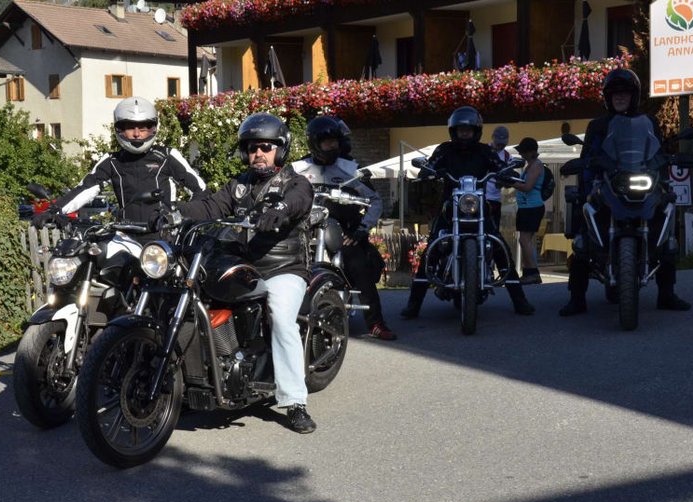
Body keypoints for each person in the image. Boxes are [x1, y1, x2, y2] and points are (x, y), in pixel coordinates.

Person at [177, 112, 318, 434]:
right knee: (198, 302)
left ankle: (294, 401)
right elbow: (209, 207)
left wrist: (279, 210)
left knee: (281, 317)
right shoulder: (239, 186)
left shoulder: (296, 183)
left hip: (284, 267)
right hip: (245, 265)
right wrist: (175, 211)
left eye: (266, 147)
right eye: (253, 148)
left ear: (280, 150)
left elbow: (298, 201)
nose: (259, 153)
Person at [559, 68, 691, 316]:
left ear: (634, 96)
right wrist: (587, 172)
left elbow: (657, 151)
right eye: (615, 94)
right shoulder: (598, 125)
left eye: (625, 93)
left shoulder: (648, 123)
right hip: (608, 182)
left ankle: (667, 294)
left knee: (666, 229)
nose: (620, 97)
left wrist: (666, 170)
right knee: (582, 238)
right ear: (608, 97)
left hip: (641, 179)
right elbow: (588, 156)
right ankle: (576, 298)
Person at [401, 106, 534, 318]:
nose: (464, 133)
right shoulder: (444, 149)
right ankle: (413, 305)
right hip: (450, 205)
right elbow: (431, 164)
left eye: (468, 130)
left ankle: (520, 301)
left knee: (499, 247)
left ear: (476, 131)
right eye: (461, 130)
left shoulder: (485, 151)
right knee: (431, 249)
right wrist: (428, 169)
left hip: (479, 205)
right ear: (454, 131)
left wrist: (506, 172)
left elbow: (499, 165)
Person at [291, 115, 397, 341]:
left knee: (359, 265)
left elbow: (375, 200)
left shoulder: (351, 168)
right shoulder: (297, 169)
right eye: (326, 142)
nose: (332, 146)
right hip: (304, 231)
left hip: (343, 233)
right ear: (315, 143)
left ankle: (376, 323)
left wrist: (362, 229)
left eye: (335, 142)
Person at [33, 97, 206, 227]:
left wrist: (182, 216)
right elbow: (85, 189)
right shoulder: (112, 161)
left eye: (143, 127)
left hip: (164, 236)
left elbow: (201, 190)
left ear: (153, 128)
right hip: (126, 235)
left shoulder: (166, 156)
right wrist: (53, 210)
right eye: (130, 127)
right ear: (119, 129)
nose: (137, 134)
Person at [510, 137, 544, 285]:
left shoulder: (536, 165)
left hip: (532, 207)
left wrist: (511, 182)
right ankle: (528, 271)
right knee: (524, 240)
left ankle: (533, 272)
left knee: (525, 240)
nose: (521, 154)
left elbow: (528, 187)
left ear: (530, 152)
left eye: (523, 152)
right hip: (526, 207)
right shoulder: (530, 165)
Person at [486, 125, 512, 228]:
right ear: (492, 138)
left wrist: (505, 182)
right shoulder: (483, 151)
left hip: (495, 199)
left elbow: (509, 178)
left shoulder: (507, 156)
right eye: (498, 143)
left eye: (503, 144)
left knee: (494, 228)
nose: (500, 146)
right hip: (480, 197)